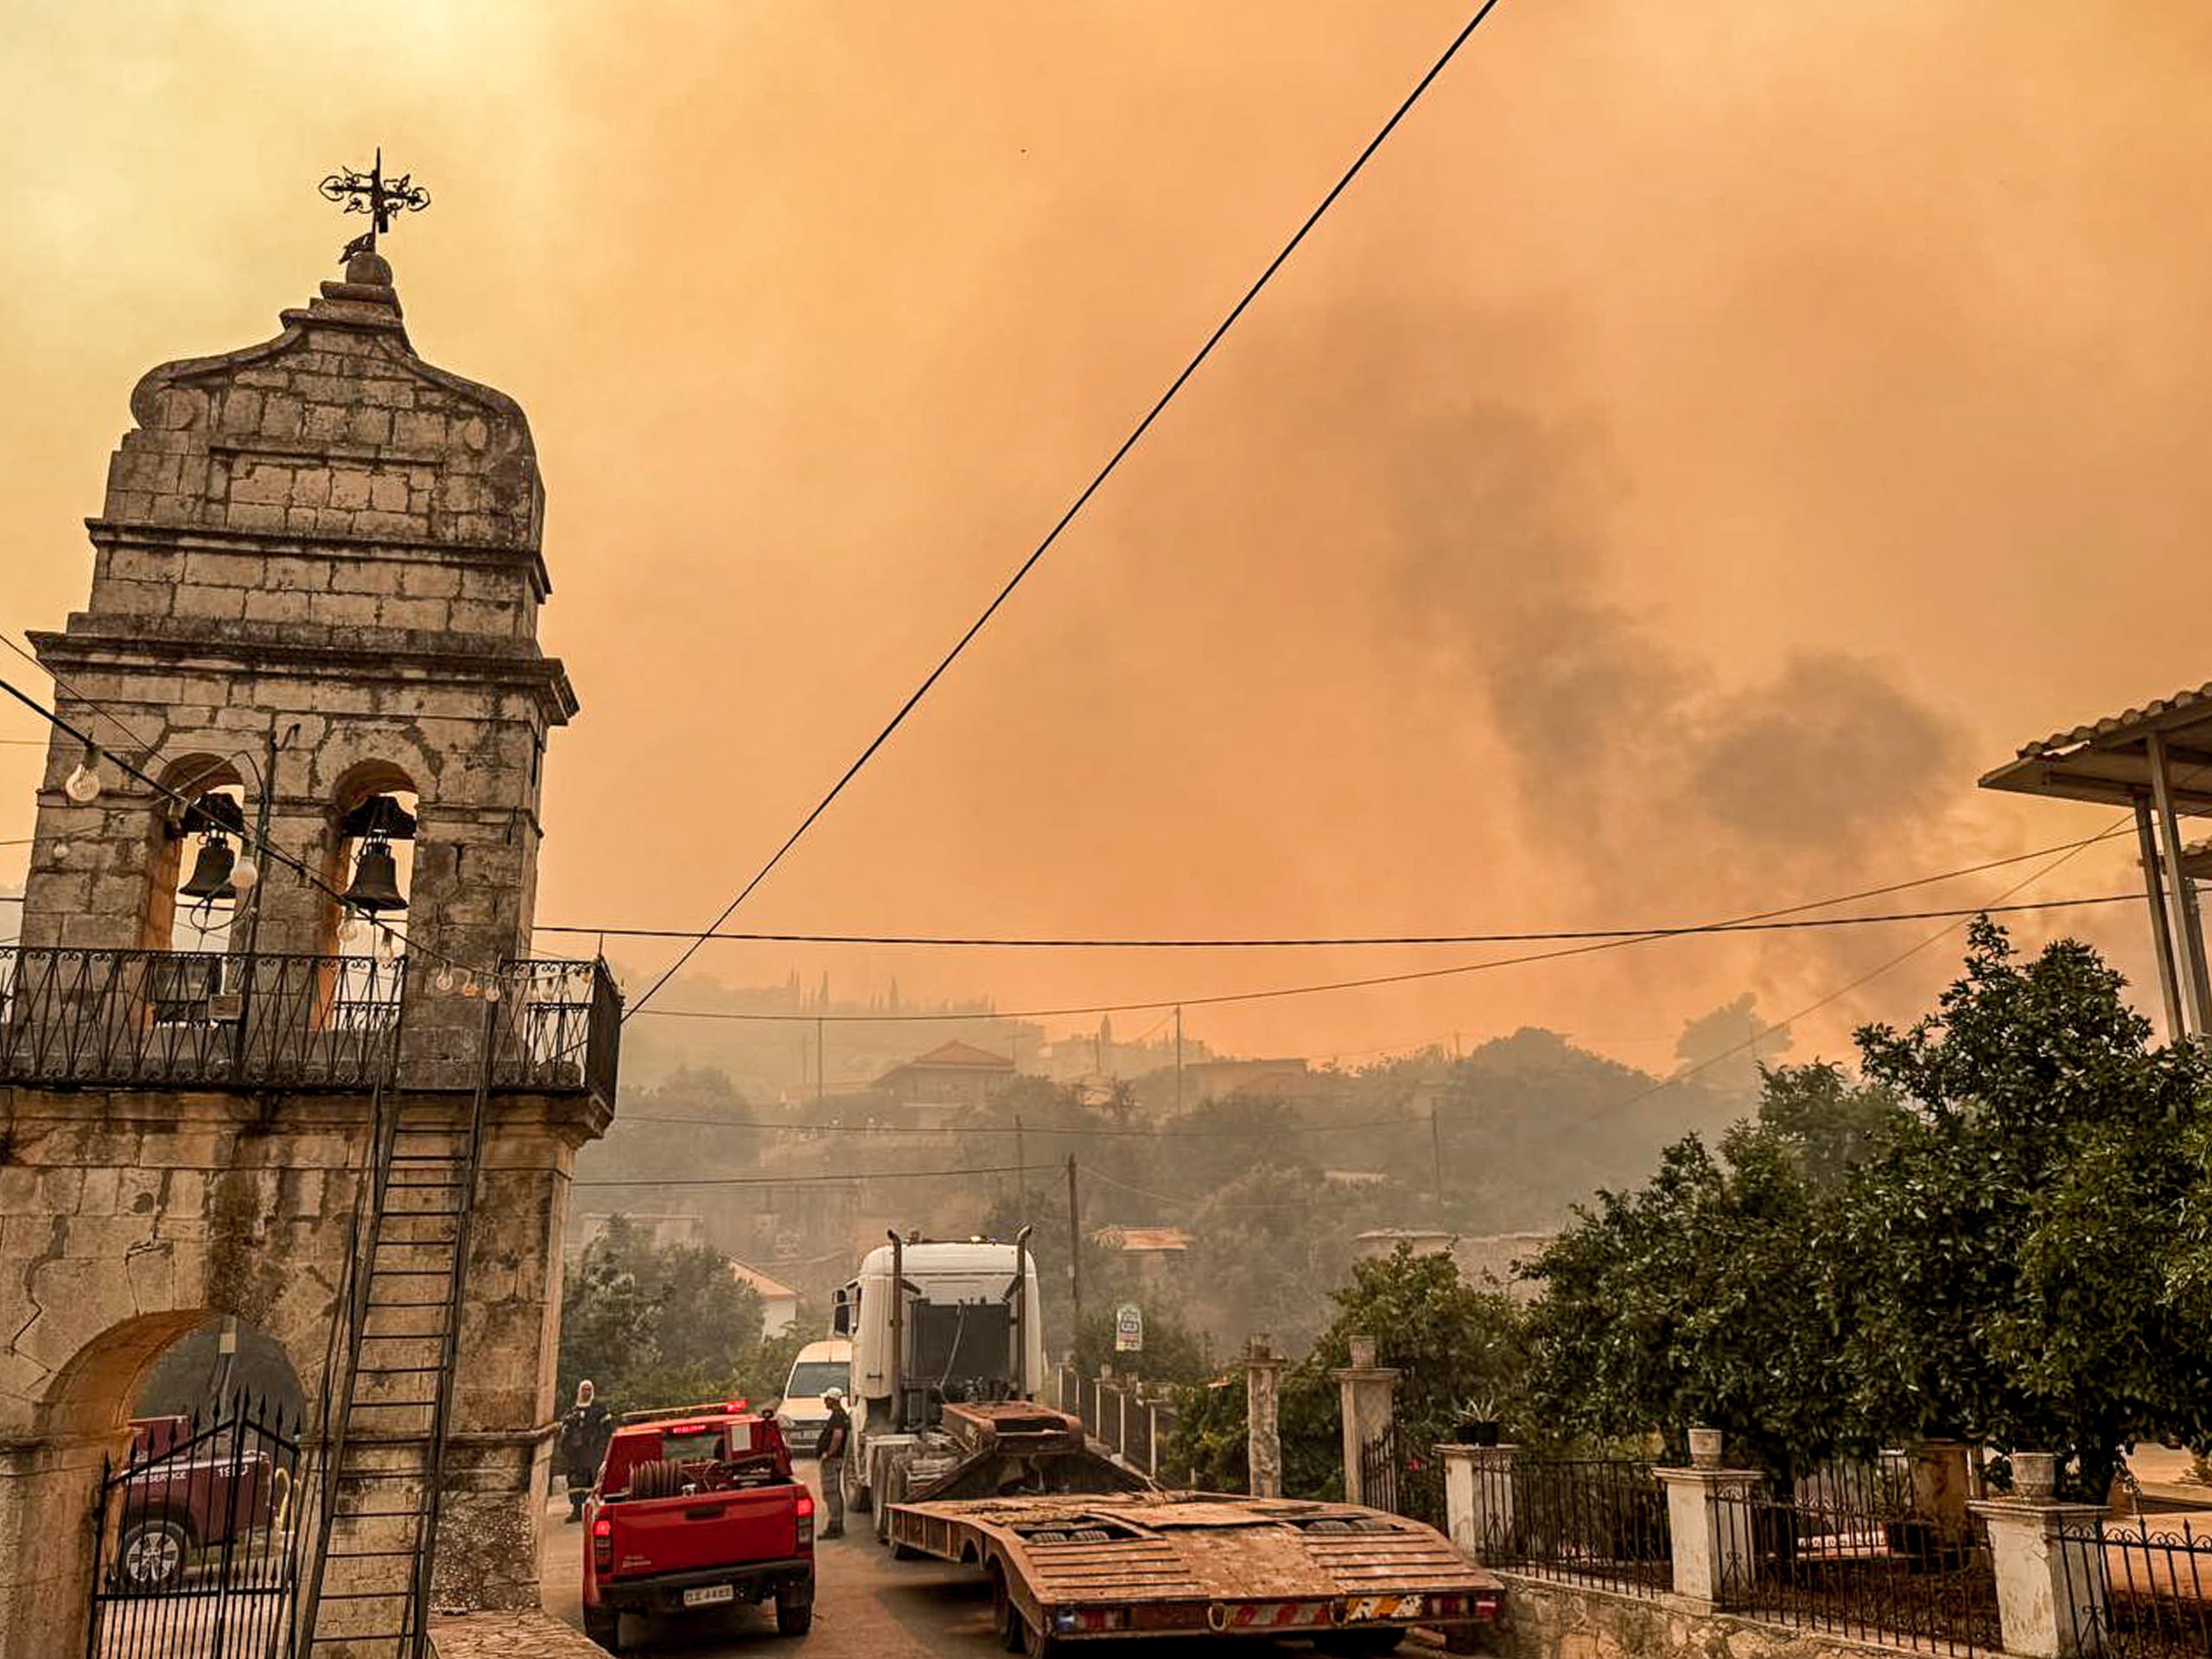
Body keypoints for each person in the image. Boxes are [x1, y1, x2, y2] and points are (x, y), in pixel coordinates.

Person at [559, 1380, 614, 1522]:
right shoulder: (572, 1411)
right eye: (584, 1389)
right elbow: (564, 1430)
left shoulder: (599, 1409)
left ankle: (595, 1512)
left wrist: (601, 1447)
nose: (587, 1392)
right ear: (579, 1391)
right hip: (576, 1454)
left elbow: (608, 1430)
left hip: (593, 1452)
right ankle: (576, 1511)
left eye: (589, 1389)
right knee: (575, 1482)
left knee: (593, 1481)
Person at [814, 1387, 849, 1539]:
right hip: (836, 1459)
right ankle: (837, 1524)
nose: (824, 1401)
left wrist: (828, 1454)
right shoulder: (841, 1415)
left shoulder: (837, 1416)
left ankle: (835, 1526)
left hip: (833, 1460)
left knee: (831, 1492)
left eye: (826, 1399)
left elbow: (837, 1436)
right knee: (834, 1492)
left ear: (832, 1400)